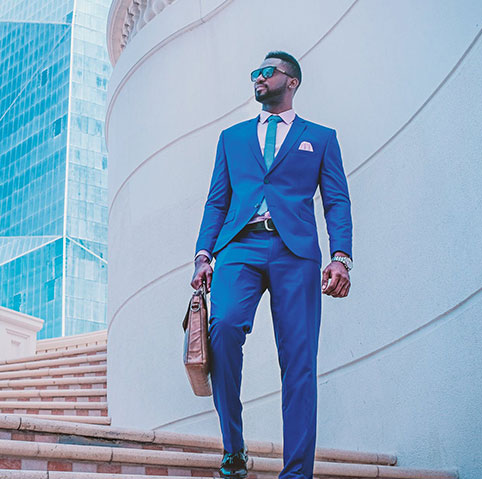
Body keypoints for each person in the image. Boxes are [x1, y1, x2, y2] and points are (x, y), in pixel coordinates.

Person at [190, 51, 353, 479]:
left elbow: (336, 200)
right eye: (255, 73)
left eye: (268, 72)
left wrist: (341, 257)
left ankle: (296, 473)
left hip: (294, 253)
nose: (258, 79)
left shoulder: (320, 138)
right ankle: (235, 449)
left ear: (292, 81)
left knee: (298, 361)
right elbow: (216, 201)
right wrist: (203, 254)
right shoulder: (233, 138)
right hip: (239, 248)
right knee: (223, 330)